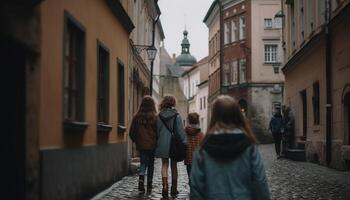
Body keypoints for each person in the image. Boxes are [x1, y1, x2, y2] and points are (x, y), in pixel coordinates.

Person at [190, 95, 270, 200]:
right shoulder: (249, 146)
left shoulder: (203, 149)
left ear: (214, 116)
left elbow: (196, 188)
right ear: (236, 115)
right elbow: (260, 182)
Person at [155, 95, 187, 197]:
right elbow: (181, 132)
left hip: (163, 143)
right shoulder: (176, 116)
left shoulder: (159, 116)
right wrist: (185, 142)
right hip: (174, 145)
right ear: (173, 103)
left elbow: (157, 131)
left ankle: (165, 187)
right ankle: (174, 188)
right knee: (174, 166)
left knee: (164, 164)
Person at [129, 96, 158, 193]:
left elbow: (131, 132)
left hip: (141, 145)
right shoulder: (155, 117)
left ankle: (141, 181)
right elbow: (158, 132)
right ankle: (149, 183)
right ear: (152, 105)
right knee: (151, 164)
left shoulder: (136, 117)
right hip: (152, 145)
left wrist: (136, 140)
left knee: (143, 163)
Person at [184, 112, 204, 185]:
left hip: (188, 157)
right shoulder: (200, 133)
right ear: (198, 121)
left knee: (189, 171)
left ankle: (191, 181)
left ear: (188, 121)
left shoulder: (185, 132)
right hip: (197, 158)